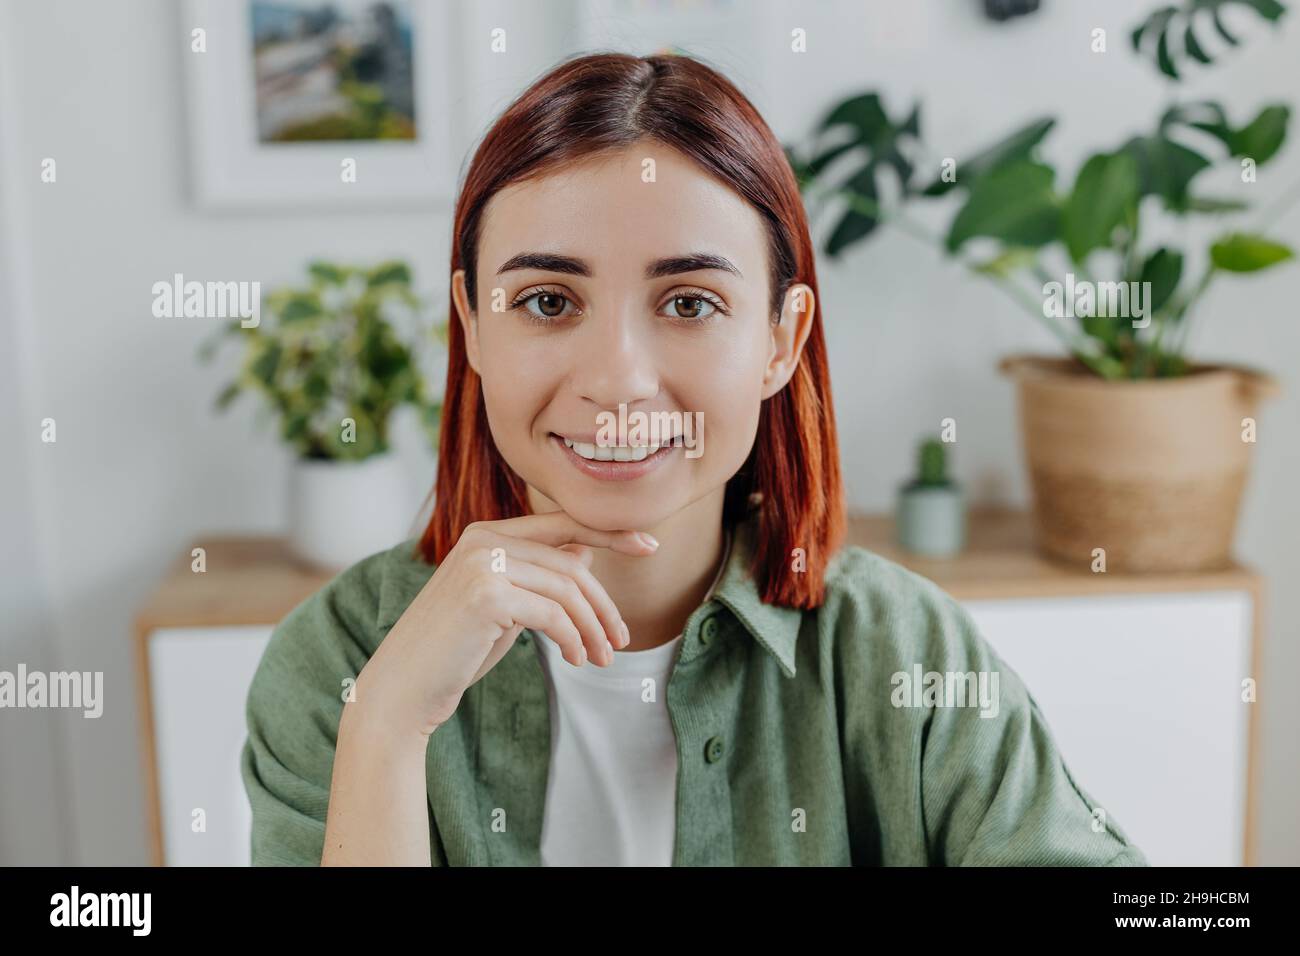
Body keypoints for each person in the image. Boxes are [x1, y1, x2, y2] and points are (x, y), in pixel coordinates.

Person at [240, 51, 1147, 867]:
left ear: (781, 342)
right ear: (473, 325)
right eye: (549, 301)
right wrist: (388, 729)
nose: (618, 381)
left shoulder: (904, 653)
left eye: (688, 304)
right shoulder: (344, 662)